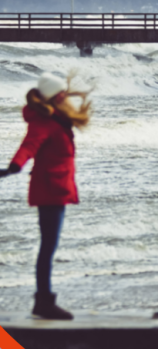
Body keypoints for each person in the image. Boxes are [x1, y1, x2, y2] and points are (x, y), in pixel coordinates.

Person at [0, 72, 92, 320]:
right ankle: (43, 302)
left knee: (49, 245)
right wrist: (13, 167)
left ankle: (44, 300)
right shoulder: (46, 122)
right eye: (63, 93)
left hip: (57, 187)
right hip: (49, 189)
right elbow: (29, 145)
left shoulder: (58, 119)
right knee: (47, 246)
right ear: (58, 97)